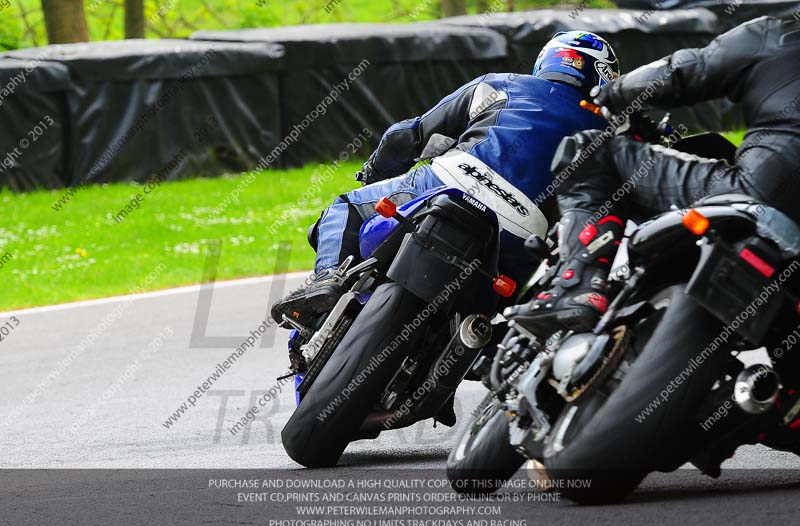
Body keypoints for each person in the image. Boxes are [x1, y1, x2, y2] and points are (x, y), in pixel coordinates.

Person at [271, 31, 620, 327]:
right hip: (521, 231)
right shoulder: (611, 135)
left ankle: (327, 279)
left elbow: (409, 135)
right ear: (603, 78)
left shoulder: (501, 83)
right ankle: (474, 355)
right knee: (500, 316)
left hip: (448, 182)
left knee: (344, 206)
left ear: (546, 61)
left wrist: (376, 173)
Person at [511, 15, 800, 334]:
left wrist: (614, 95)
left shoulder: (781, 33)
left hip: (756, 190)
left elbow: (687, 70)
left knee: (592, 151)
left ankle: (577, 285)